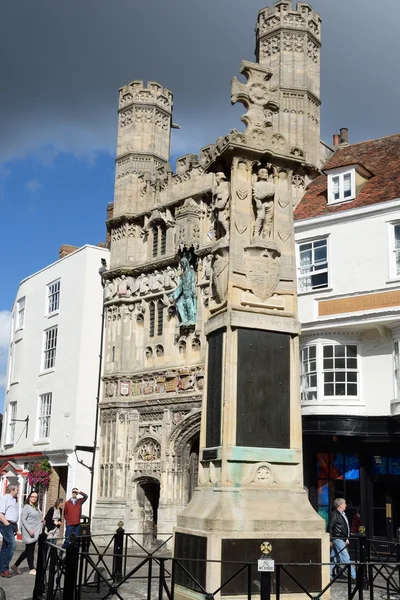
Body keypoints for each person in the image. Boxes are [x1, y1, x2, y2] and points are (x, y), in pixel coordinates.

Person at [11, 491, 44, 575]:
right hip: (29, 532)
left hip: (36, 531)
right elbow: (23, 520)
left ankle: (15, 565)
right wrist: (29, 530)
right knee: (30, 550)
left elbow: (38, 517)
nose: (34, 498)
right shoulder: (26, 507)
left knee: (28, 550)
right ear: (29, 497)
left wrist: (42, 521)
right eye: (32, 496)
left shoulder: (36, 507)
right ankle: (32, 568)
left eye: (36, 497)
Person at [329, 497, 356, 580]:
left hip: (342, 538)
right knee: (345, 557)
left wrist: (346, 538)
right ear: (340, 505)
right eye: (344, 503)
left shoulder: (342, 514)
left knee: (335, 558)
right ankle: (354, 576)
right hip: (337, 538)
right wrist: (330, 539)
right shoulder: (335, 514)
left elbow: (345, 527)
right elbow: (330, 526)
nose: (346, 505)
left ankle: (328, 574)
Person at [0, 484, 19, 578]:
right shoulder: (5, 498)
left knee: (5, 547)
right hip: (6, 524)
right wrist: (6, 523)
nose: (18, 491)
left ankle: (1, 569)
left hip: (12, 525)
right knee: (12, 545)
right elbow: (0, 513)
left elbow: (13, 514)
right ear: (12, 490)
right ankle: (5, 569)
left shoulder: (14, 500)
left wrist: (15, 526)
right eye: (16, 489)